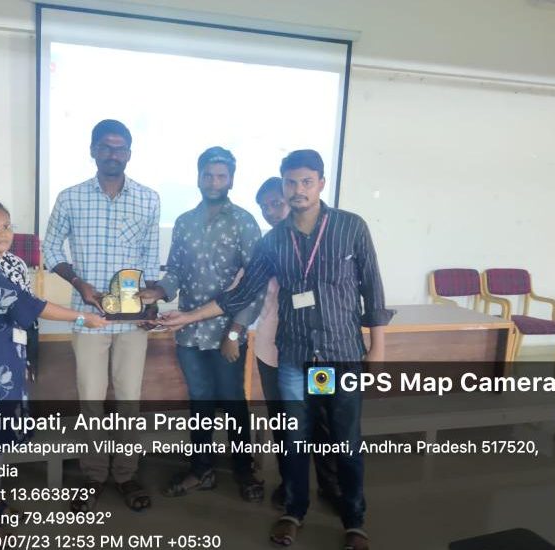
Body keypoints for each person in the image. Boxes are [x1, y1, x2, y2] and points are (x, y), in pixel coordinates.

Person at [159, 150, 392, 550]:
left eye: (306, 182)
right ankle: (294, 512)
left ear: (321, 183)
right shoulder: (273, 241)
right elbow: (241, 294)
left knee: (344, 439)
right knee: (293, 438)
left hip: (338, 354)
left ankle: (355, 522)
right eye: (291, 182)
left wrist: (378, 348)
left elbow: (372, 289)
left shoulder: (350, 226)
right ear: (283, 185)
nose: (298, 190)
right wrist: (187, 317)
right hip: (295, 358)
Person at [0, 200, 106, 538]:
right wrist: (83, 317)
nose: (2, 233)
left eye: (6, 226)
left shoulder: (9, 264)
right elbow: (28, 307)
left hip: (4, 359)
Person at [42, 119, 160, 512]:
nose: (113, 154)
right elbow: (50, 249)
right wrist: (79, 283)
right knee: (91, 399)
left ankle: (126, 475)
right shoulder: (70, 197)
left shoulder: (148, 199)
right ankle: (94, 475)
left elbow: (150, 260)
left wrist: (150, 306)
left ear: (129, 153)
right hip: (88, 316)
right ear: (93, 150)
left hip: (132, 319)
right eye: (106, 147)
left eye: (120, 147)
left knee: (129, 398)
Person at [137, 146, 265, 502]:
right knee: (201, 403)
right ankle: (201, 469)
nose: (214, 182)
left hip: (227, 332)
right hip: (189, 332)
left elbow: (255, 284)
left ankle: (244, 471)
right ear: (198, 178)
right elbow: (175, 273)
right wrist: (159, 291)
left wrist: (236, 331)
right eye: (208, 175)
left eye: (221, 176)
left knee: (233, 402)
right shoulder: (184, 222)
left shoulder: (244, 222)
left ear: (231, 180)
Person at [253, 177, 340, 512]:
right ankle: (290, 485)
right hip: (271, 352)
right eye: (264, 207)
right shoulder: (266, 246)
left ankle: (331, 486)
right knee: (283, 423)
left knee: (323, 421)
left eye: (276, 203)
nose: (271, 211)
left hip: (317, 350)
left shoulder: (321, 242)